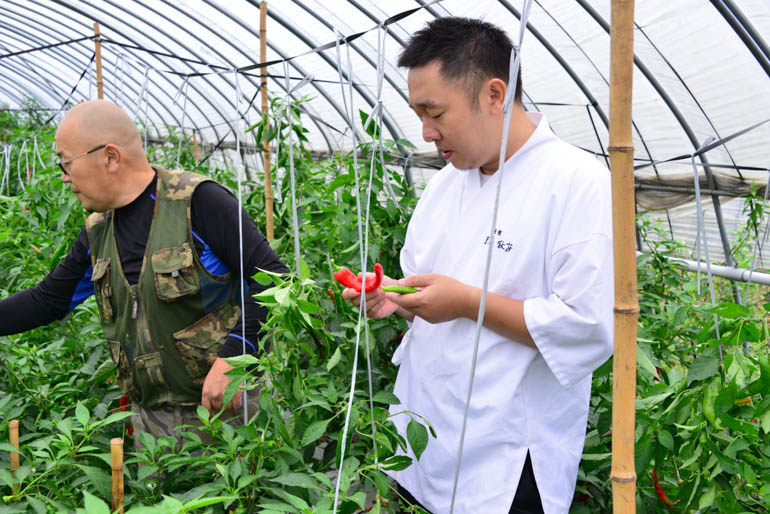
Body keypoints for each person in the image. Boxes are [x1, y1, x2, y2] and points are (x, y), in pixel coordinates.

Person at [342, 17, 614, 514]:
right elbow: (426, 294)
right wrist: (394, 297)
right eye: (418, 114)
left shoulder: (576, 181)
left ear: (494, 95)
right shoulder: (446, 184)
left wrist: (468, 303)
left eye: (434, 112)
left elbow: (587, 326)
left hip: (507, 460)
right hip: (424, 437)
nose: (427, 133)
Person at [0, 100, 287, 448]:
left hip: (229, 412)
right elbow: (48, 300)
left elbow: (274, 278)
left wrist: (235, 357)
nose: (63, 177)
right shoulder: (98, 231)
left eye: (66, 163)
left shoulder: (197, 202)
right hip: (153, 425)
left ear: (109, 157)